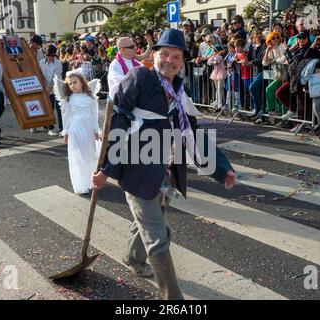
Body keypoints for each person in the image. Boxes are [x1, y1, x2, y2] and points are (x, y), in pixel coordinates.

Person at [92, 29, 236, 300]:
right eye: (165, 53)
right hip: (138, 169)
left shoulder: (181, 89)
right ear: (153, 54)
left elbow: (192, 134)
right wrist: (106, 169)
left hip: (167, 171)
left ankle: (132, 258)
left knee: (146, 223)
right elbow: (118, 121)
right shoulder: (141, 77)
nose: (169, 60)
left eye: (176, 56)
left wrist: (221, 168)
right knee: (157, 237)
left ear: (183, 62)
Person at [60, 72, 100, 194]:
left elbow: (94, 115)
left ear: (82, 82)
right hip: (75, 129)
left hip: (88, 129)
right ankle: (81, 184)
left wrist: (95, 130)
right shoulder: (69, 99)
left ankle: (91, 181)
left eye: (75, 82)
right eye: (70, 84)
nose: (72, 85)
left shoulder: (91, 97)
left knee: (89, 154)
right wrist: (66, 133)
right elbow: (66, 117)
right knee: (79, 156)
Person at [31, 44, 63, 136]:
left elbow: (55, 78)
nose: (50, 57)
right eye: (48, 55)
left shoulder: (58, 63)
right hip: (45, 88)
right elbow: (40, 76)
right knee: (48, 109)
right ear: (45, 54)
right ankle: (50, 127)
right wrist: (44, 88)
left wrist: (49, 90)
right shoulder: (41, 62)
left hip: (57, 88)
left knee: (59, 108)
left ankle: (61, 129)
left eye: (53, 55)